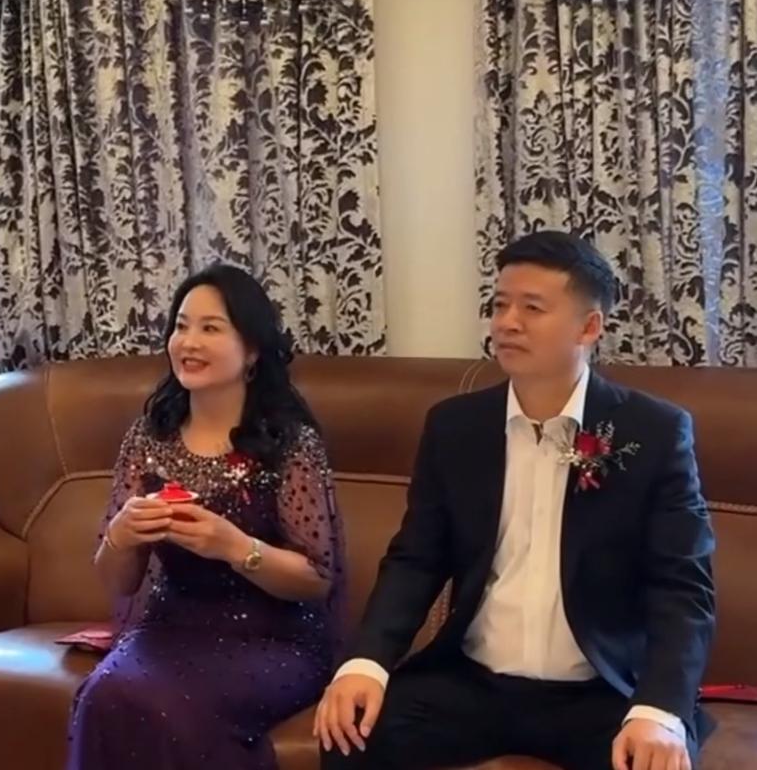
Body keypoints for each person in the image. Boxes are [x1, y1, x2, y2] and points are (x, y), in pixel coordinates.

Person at [315, 231, 717, 770]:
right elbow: (416, 559)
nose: (507, 322)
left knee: (653, 761)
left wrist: (661, 709)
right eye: (499, 305)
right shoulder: (455, 427)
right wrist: (365, 663)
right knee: (349, 736)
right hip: (472, 683)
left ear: (589, 327)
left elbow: (682, 587)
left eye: (532, 308)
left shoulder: (654, 432)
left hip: (601, 690)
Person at [66, 263, 345, 769]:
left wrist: (235, 547)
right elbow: (118, 581)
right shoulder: (150, 437)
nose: (189, 342)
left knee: (177, 707)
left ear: (252, 350)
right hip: (170, 628)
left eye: (211, 328)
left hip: (273, 638)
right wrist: (122, 537)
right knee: (103, 694)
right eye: (181, 326)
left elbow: (316, 577)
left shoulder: (290, 443)